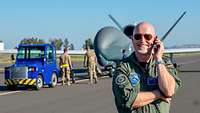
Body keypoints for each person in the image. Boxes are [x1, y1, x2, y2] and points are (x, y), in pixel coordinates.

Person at [112, 21, 181, 113]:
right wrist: (158, 94)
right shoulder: (123, 68)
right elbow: (128, 99)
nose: (142, 40)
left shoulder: (165, 63)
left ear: (155, 40)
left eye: (147, 37)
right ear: (132, 39)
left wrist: (158, 59)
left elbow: (168, 91)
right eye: (138, 37)